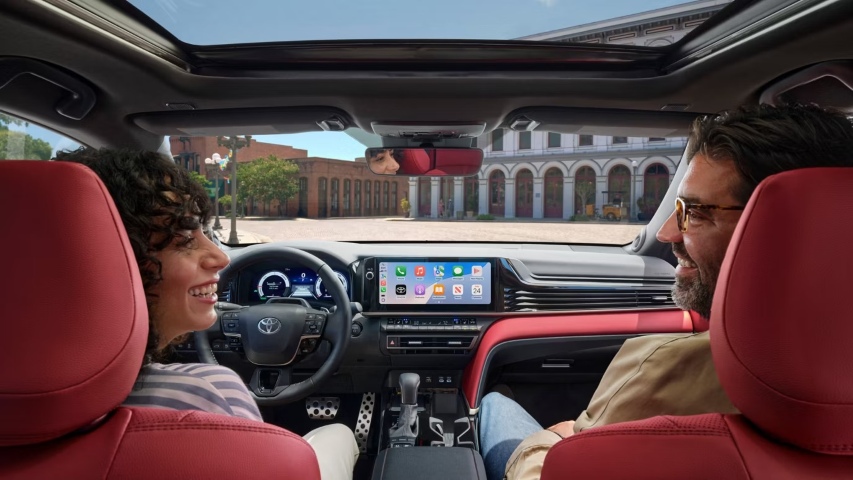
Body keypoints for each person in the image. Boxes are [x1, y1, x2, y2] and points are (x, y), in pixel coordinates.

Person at [478, 103, 853, 480]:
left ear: (787, 227)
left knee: (495, 405)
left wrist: (547, 442)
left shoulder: (666, 364)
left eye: (697, 211)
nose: (666, 233)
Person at [55, 147, 359, 480]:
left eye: (206, 232)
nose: (220, 257)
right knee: (338, 435)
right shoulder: (209, 391)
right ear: (111, 259)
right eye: (185, 239)